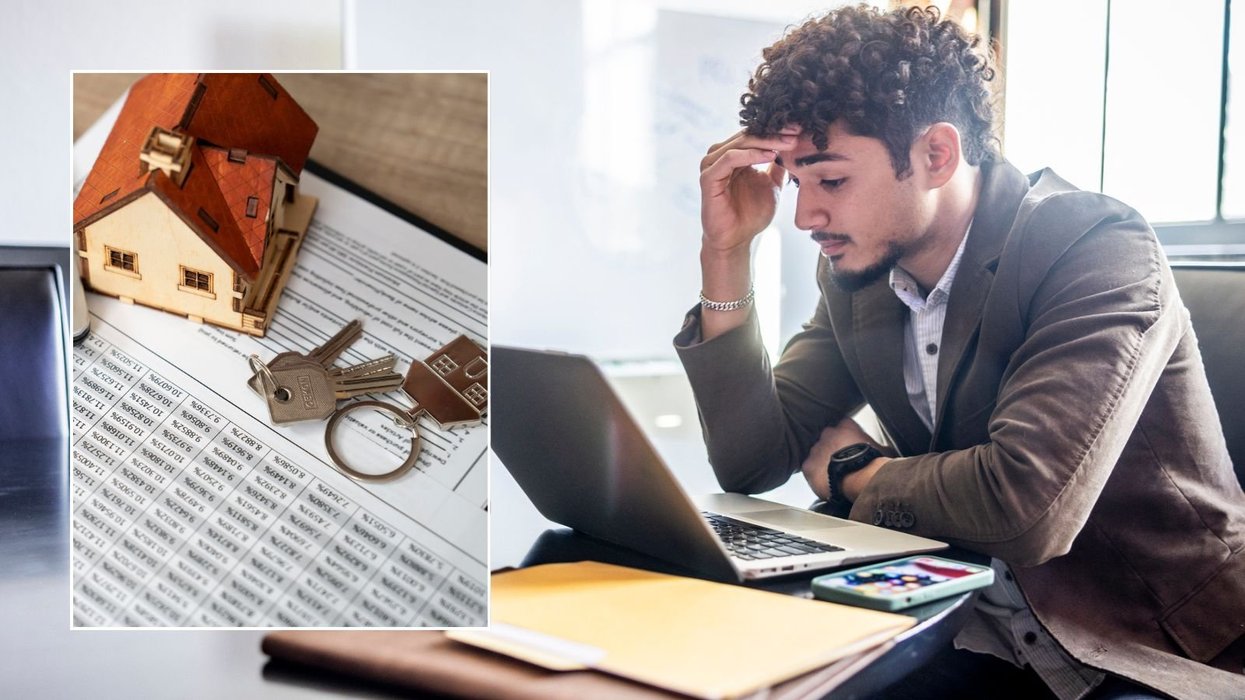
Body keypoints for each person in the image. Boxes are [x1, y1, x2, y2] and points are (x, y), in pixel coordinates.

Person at [673, 5, 1245, 699]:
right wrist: (725, 253)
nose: (803, 217)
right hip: (960, 613)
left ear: (935, 155)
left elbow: (1024, 506)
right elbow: (750, 461)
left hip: (1139, 640)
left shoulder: (1092, 246)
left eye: (829, 180)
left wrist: (854, 472)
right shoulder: (862, 276)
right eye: (794, 181)